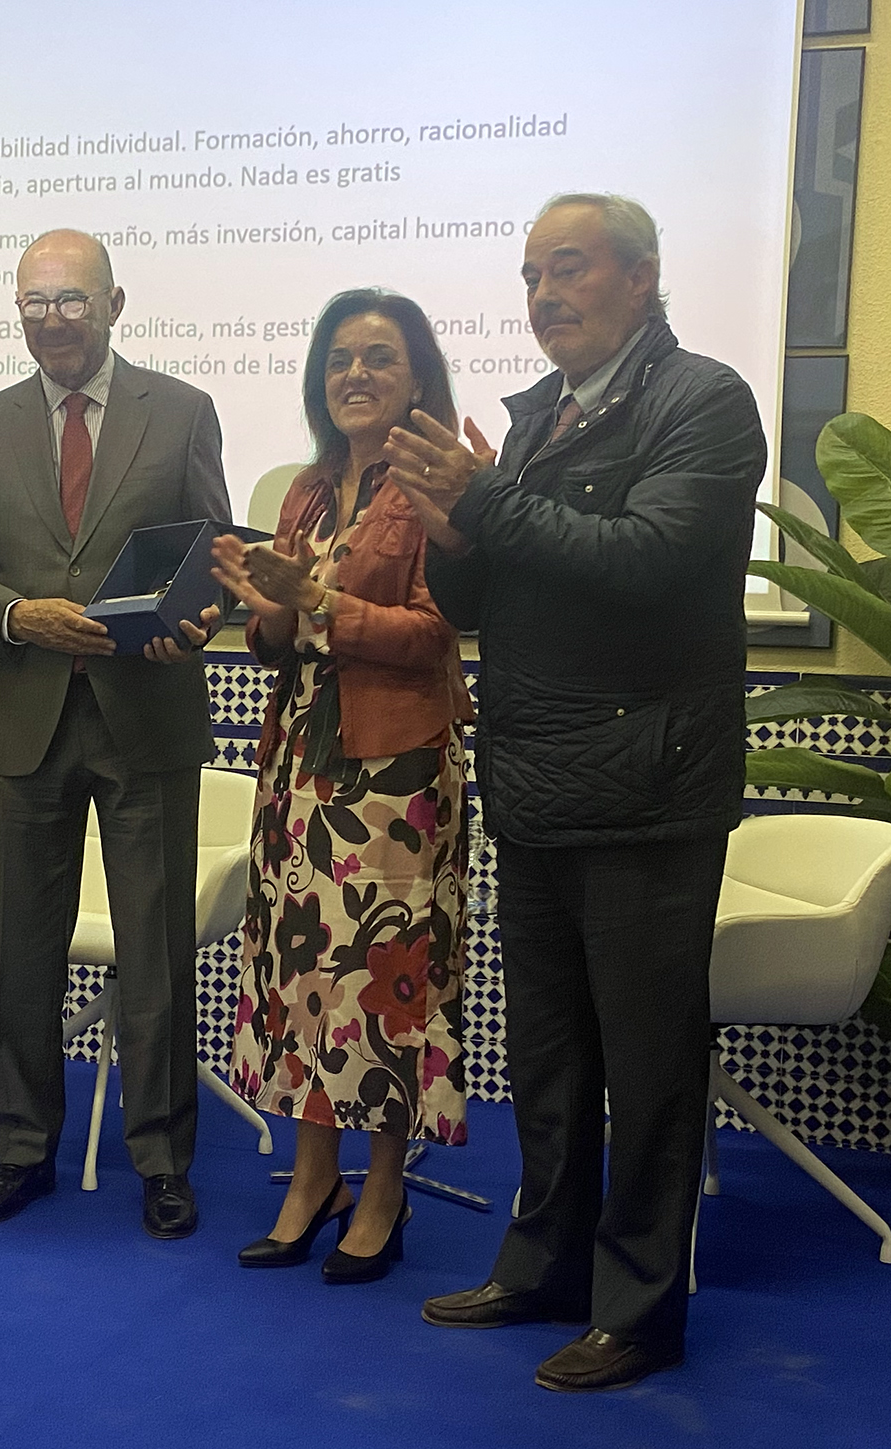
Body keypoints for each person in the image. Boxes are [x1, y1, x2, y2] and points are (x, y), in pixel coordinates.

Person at [384, 194, 767, 1390]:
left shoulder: (703, 401)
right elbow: (485, 601)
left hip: (651, 783)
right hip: (539, 777)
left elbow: (650, 561)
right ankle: (545, 1265)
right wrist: (453, 534)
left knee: (649, 1067)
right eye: (530, 276)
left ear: (642, 278)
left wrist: (487, 500)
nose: (545, 295)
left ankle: (641, 1310)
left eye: (570, 269)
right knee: (549, 1058)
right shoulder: (537, 417)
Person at [0, 229, 229, 1239]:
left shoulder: (181, 412)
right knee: (26, 951)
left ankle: (163, 1160)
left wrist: (194, 622)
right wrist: (21, 616)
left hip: (146, 714)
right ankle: (22, 1150)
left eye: (71, 300)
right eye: (35, 302)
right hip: (27, 719)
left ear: (114, 304)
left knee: (156, 952)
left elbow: (213, 561)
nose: (52, 319)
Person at [211, 290, 474, 1285]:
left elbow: (436, 634)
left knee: (383, 980)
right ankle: (313, 1177)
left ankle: (385, 1189)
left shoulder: (437, 490)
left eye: (378, 357)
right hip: (302, 765)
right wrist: (271, 607)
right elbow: (277, 640)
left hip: (395, 774)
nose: (354, 374)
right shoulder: (310, 491)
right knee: (304, 975)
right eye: (338, 359)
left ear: (418, 377)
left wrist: (317, 600)